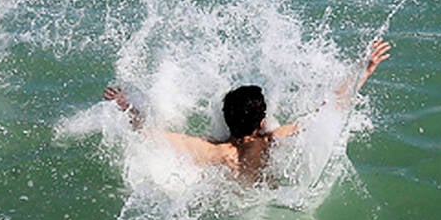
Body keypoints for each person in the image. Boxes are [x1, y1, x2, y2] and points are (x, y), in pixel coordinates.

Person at [104, 39, 391, 184]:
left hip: (234, 201)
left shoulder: (213, 151)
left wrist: (127, 105)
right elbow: (327, 110)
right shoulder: (273, 140)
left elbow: (148, 134)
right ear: (262, 120)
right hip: (272, 200)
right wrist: (363, 70)